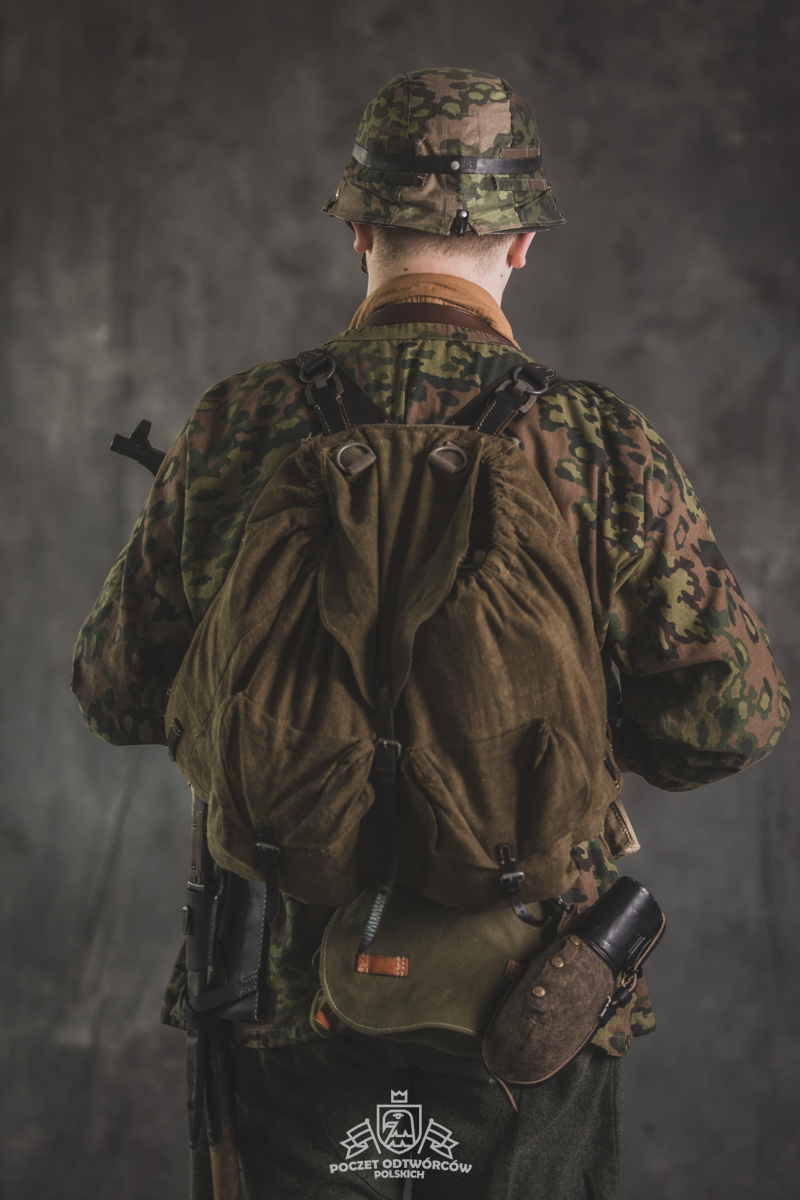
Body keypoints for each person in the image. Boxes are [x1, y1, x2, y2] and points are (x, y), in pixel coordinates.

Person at [71, 68, 789, 1200]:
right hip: (530, 991)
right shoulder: (598, 441)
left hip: (278, 989)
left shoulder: (237, 424)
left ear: (359, 227)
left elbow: (115, 692)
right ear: (522, 245)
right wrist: (548, 733)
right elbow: (726, 724)